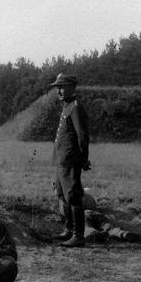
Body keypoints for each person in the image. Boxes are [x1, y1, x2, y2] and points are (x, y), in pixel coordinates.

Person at [50, 73, 91, 247]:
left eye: (63, 86)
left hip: (70, 160)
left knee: (73, 196)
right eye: (57, 87)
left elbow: (82, 135)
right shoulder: (66, 107)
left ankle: (78, 235)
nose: (59, 90)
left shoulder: (75, 107)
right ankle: (68, 230)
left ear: (72, 87)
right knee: (61, 195)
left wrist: (83, 158)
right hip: (61, 160)